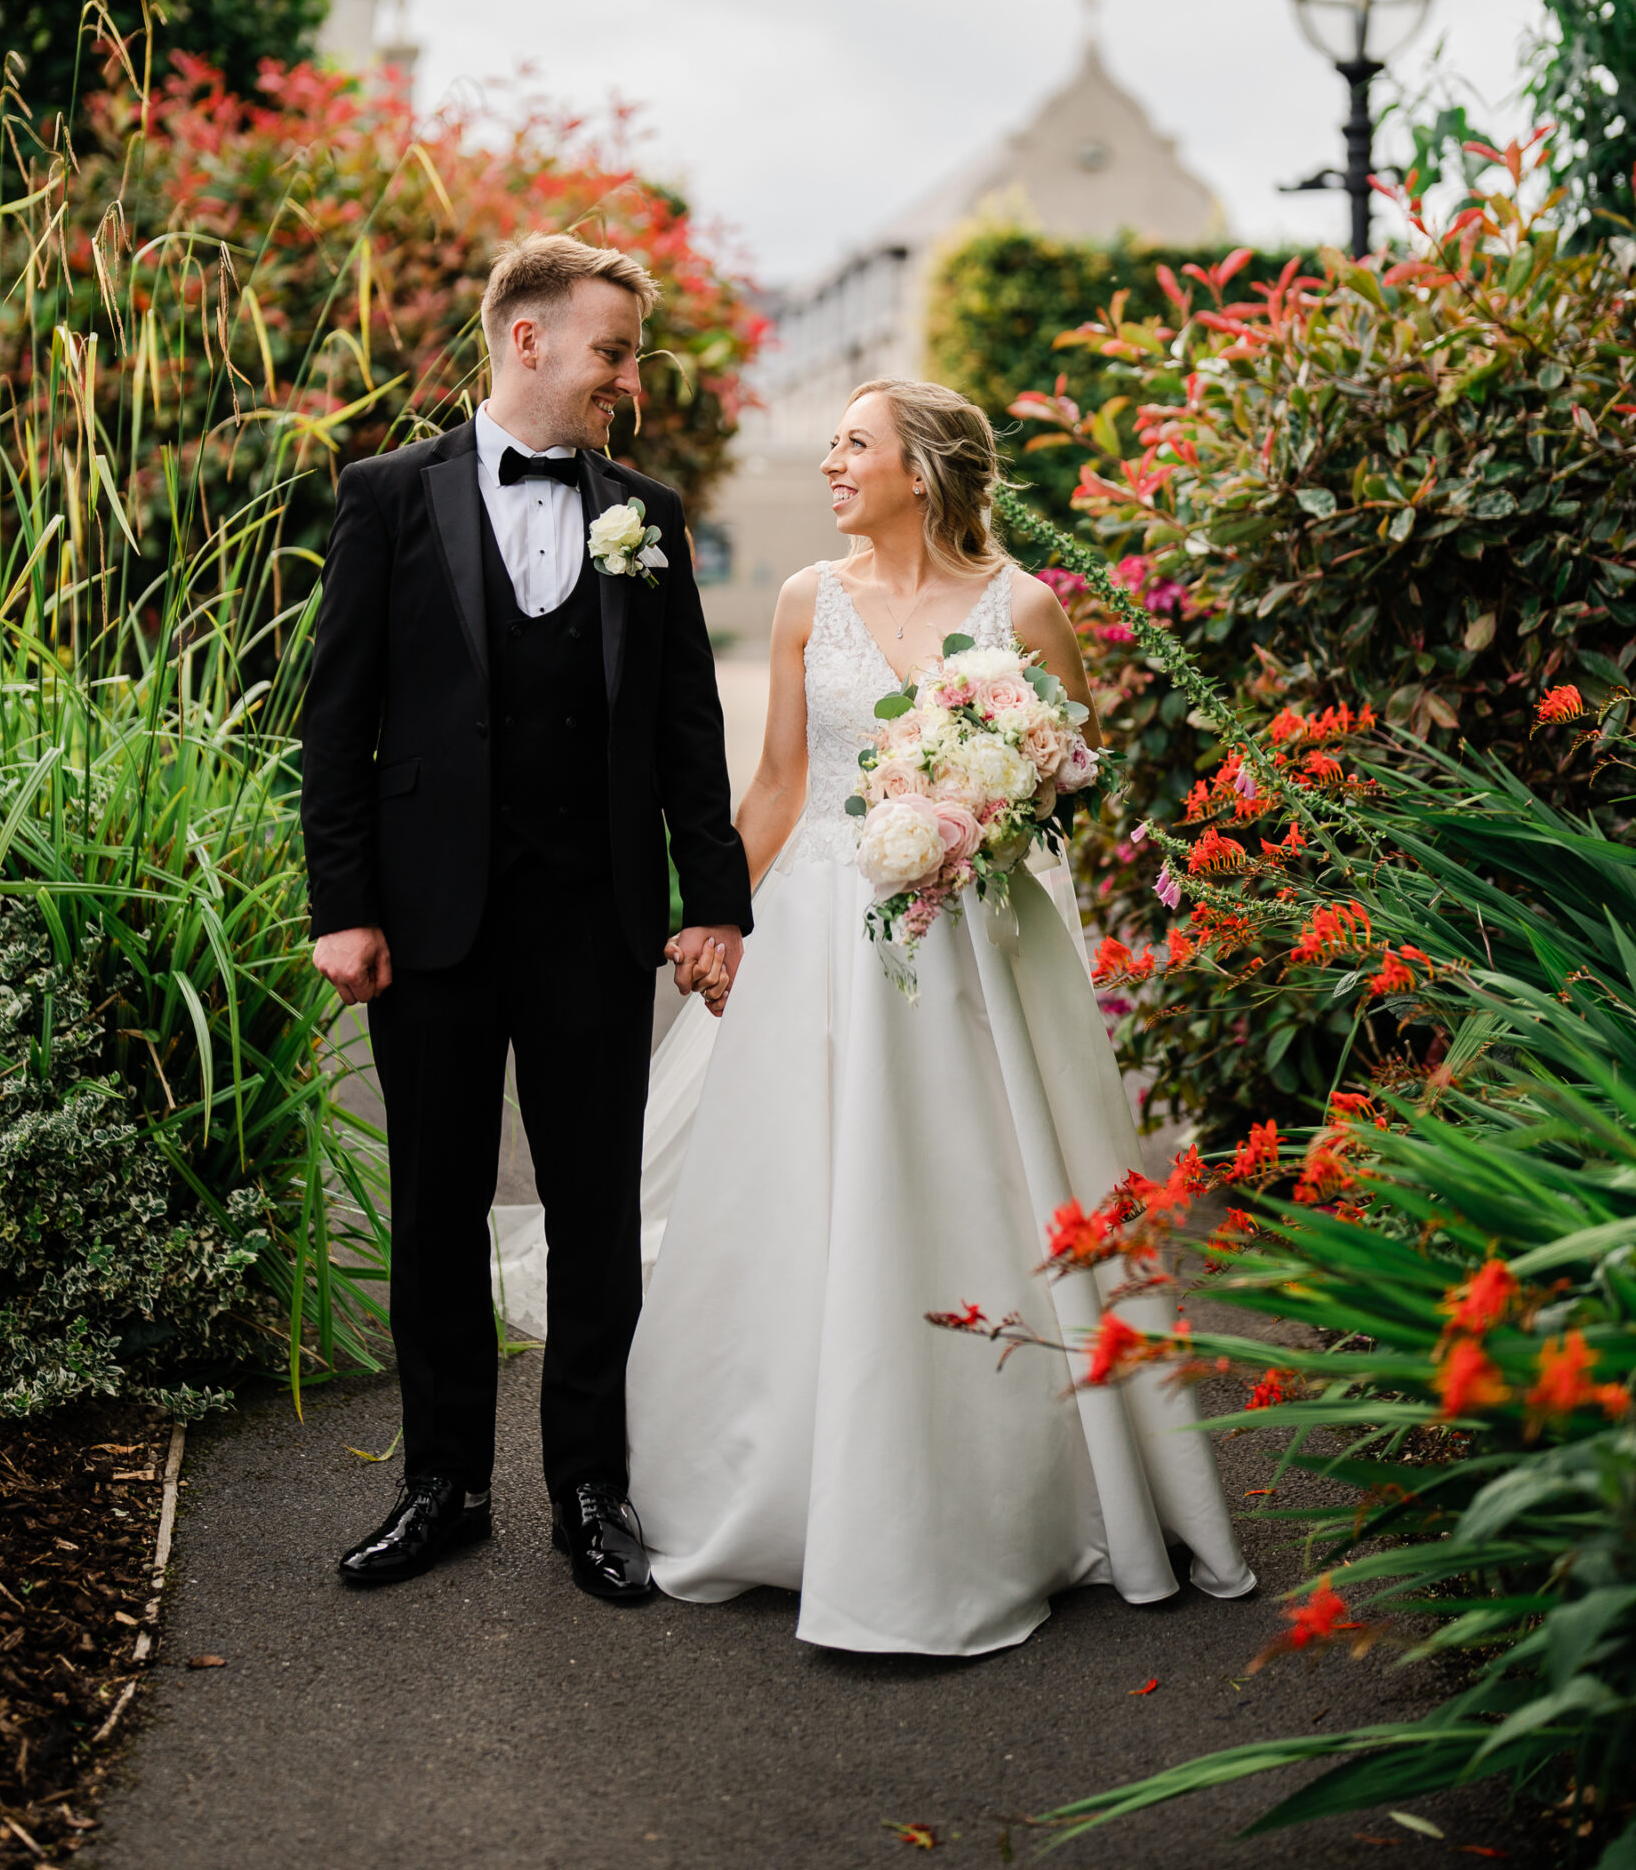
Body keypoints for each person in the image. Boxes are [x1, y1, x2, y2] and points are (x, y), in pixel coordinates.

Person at [623, 378, 1256, 1656]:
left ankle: (1012, 1496)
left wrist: (982, 810)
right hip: (819, 945)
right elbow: (785, 783)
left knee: (986, 1190)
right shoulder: (809, 598)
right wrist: (714, 917)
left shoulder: (1026, 608)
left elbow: (1069, 779)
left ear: (924, 466)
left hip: (976, 946)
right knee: (803, 1196)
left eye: (854, 443)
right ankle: (792, 1488)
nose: (833, 465)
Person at [301, 232, 751, 1598]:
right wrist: (342, 904)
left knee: (597, 1211)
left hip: (595, 923)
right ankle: (439, 1487)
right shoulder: (387, 496)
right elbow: (339, 720)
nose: (628, 375)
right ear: (529, 340)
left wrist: (712, 903)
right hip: (427, 923)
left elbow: (686, 728)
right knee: (433, 1207)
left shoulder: (650, 514)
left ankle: (590, 1493)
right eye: (613, 350)